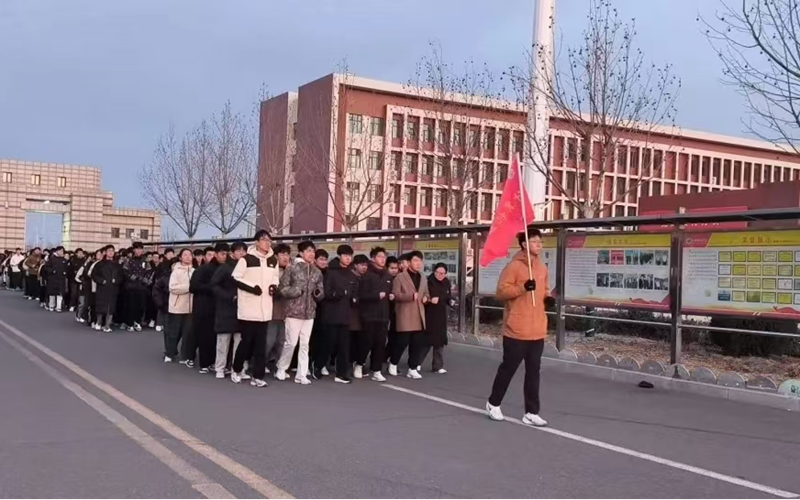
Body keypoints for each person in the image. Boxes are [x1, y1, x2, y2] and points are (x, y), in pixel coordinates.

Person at [486, 229, 554, 427]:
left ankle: (531, 412)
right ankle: (493, 403)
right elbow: (501, 292)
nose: (539, 245)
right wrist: (522, 288)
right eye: (534, 241)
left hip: (537, 329)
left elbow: (545, 289)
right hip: (516, 329)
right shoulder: (513, 266)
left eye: (540, 241)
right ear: (524, 244)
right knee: (508, 369)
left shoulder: (541, 267)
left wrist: (548, 298)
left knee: (534, 372)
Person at [230, 230, 281, 388]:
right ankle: (236, 369)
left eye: (269, 240)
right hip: (248, 308)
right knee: (246, 342)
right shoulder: (246, 259)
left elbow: (275, 278)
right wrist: (252, 288)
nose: (267, 242)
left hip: (265, 309)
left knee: (261, 345)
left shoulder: (273, 260)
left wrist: (273, 286)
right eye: (264, 239)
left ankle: (258, 376)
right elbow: (236, 277)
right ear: (257, 242)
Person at [275, 240, 324, 385]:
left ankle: (301, 374)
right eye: (308, 251)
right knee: (291, 343)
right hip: (293, 311)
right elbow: (282, 288)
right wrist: (295, 291)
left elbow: (321, 291)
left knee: (304, 344)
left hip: (309, 312)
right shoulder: (292, 269)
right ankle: (281, 368)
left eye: (313, 251)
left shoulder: (317, 271)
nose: (311, 254)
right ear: (301, 253)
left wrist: (318, 293)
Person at [316, 245, 358, 383]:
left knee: (344, 347)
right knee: (327, 344)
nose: (348, 258)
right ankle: (318, 366)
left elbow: (355, 293)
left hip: (345, 316)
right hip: (330, 315)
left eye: (349, 256)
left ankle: (341, 374)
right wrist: (338, 294)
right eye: (345, 255)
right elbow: (326, 293)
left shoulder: (352, 275)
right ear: (339, 256)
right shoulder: (330, 272)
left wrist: (354, 299)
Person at [390, 251, 430, 380]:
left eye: (420, 261)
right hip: (405, 314)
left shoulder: (423, 277)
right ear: (408, 262)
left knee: (417, 343)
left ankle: (412, 368)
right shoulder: (400, 277)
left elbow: (426, 293)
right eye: (415, 260)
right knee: (402, 342)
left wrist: (426, 298)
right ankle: (393, 363)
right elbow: (395, 295)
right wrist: (410, 296)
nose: (418, 264)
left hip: (419, 314)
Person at [190, 242, 228, 374]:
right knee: (205, 336)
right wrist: (213, 288)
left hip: (221, 308)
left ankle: (215, 362)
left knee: (218, 337)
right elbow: (193, 287)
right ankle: (204, 363)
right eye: (222, 254)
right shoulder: (203, 269)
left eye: (227, 254)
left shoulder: (227, 269)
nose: (225, 256)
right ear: (216, 254)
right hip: (204, 307)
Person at [359, 247, 395, 382]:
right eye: (380, 257)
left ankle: (377, 370)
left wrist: (391, 296)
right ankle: (359, 363)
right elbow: (361, 295)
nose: (382, 259)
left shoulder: (387, 276)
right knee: (366, 342)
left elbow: (389, 292)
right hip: (369, 315)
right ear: (373, 258)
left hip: (383, 315)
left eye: (384, 257)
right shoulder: (367, 275)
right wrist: (376, 296)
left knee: (380, 343)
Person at [211, 241, 246, 379]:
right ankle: (219, 368)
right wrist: (229, 296)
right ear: (232, 253)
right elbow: (214, 285)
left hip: (242, 310)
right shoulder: (224, 268)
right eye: (239, 251)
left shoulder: (247, 267)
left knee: (240, 342)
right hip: (225, 309)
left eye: (244, 251)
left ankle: (237, 369)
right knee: (223, 342)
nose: (242, 253)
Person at [421, 263, 454, 374]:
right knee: (426, 341)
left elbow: (447, 295)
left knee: (440, 341)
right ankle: (416, 363)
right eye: (438, 273)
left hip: (442, 314)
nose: (440, 275)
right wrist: (431, 300)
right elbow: (426, 297)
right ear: (434, 272)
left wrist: (450, 300)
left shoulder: (446, 282)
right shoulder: (428, 282)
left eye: (443, 273)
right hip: (430, 314)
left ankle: (438, 366)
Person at [266, 243, 291, 373]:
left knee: (282, 341)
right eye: (282, 254)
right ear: (276, 256)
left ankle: (279, 366)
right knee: (269, 340)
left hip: (286, 312)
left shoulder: (291, 271)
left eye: (287, 254)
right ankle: (261, 363)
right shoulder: (270, 271)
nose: (286, 257)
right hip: (271, 310)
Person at [166, 249, 194, 363]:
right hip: (177, 307)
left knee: (187, 333)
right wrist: (189, 287)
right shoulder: (176, 271)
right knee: (174, 332)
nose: (188, 257)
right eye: (185, 255)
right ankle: (170, 353)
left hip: (190, 308)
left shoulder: (194, 271)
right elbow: (172, 287)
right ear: (180, 258)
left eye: (189, 255)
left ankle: (184, 355)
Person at [92, 245, 122, 332]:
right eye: (109, 250)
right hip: (102, 288)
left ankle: (107, 325)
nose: (111, 252)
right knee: (100, 306)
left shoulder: (117, 265)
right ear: (105, 252)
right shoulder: (99, 264)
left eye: (112, 251)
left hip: (113, 288)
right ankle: (99, 322)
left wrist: (116, 281)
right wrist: (101, 281)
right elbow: (94, 275)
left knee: (111, 307)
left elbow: (121, 276)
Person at [122, 242, 150, 331]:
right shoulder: (128, 260)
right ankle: (129, 323)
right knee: (131, 306)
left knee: (141, 306)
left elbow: (149, 271)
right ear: (134, 250)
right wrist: (132, 277)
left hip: (141, 286)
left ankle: (137, 322)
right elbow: (125, 271)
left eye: (140, 249)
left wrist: (145, 279)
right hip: (131, 286)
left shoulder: (145, 261)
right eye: (137, 249)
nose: (139, 251)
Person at [44, 246, 68, 312]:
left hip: (61, 279)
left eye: (62, 251)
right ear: (57, 251)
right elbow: (46, 268)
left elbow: (67, 268)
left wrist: (65, 272)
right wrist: (52, 271)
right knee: (52, 293)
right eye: (60, 251)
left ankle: (58, 307)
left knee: (60, 293)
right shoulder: (52, 259)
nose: (62, 252)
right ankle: (51, 305)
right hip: (52, 278)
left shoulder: (64, 260)